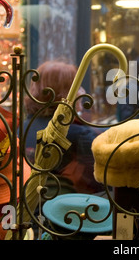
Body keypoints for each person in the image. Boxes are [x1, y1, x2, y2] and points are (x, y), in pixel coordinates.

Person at [23, 60, 104, 195]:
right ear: (65, 94)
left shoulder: (23, 127)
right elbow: (101, 181)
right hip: (64, 211)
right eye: (77, 87)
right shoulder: (76, 134)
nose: (82, 92)